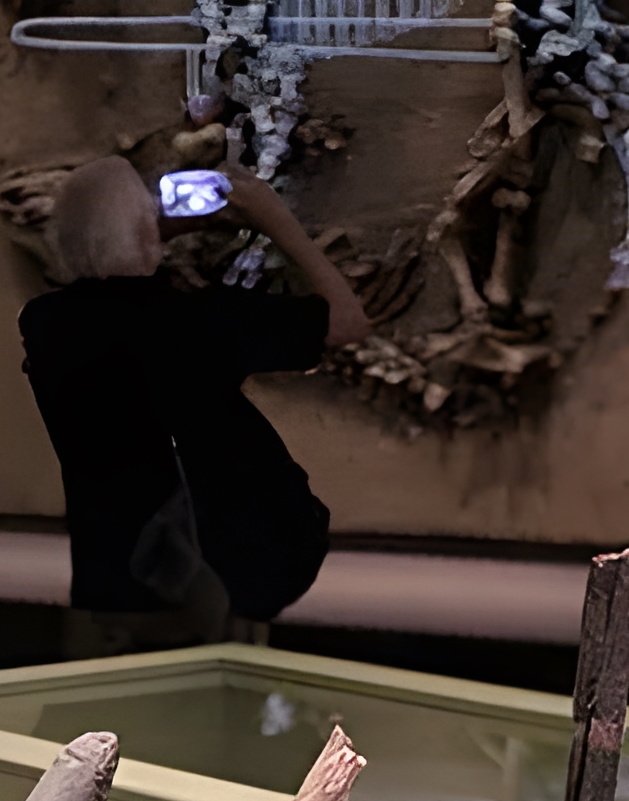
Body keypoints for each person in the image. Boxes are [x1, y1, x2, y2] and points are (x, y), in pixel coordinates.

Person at [20, 153, 368, 649]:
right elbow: (347, 323)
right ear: (146, 230)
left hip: (115, 564)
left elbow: (112, 293)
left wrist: (140, 234)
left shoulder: (46, 323)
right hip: (222, 564)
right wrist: (275, 219)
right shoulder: (198, 320)